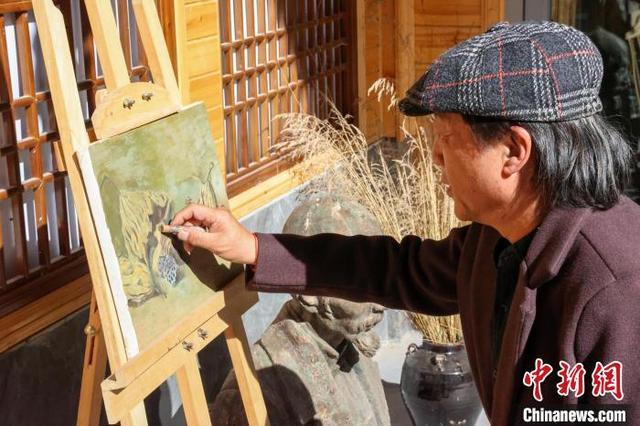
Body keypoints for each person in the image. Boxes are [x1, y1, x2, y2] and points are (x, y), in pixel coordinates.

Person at [171, 21, 640, 425]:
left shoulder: (617, 284)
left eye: (446, 137)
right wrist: (254, 247)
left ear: (515, 152)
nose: (435, 156)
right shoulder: (497, 239)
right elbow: (398, 270)